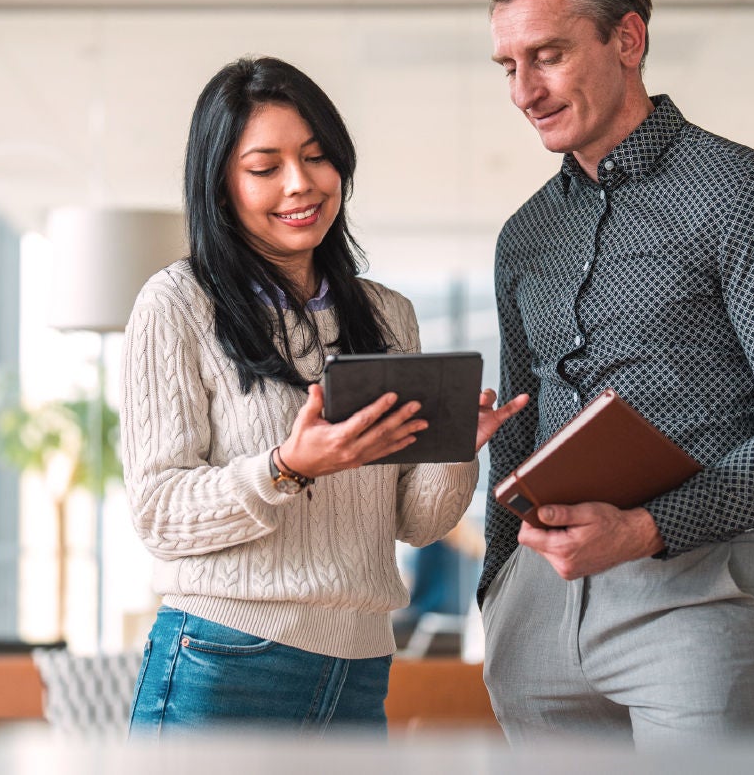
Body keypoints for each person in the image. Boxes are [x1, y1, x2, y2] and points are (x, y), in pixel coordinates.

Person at [478, 0, 754, 749]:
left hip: (695, 600)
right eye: (508, 66)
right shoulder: (525, 236)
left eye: (546, 55)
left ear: (628, 38)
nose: (525, 90)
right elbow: (517, 420)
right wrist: (498, 586)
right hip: (538, 618)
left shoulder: (744, 195)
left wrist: (647, 529)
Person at [120, 55, 526, 737]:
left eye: (316, 157)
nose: (300, 184)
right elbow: (159, 513)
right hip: (225, 658)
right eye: (265, 166)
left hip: (360, 664)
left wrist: (456, 445)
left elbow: (417, 523)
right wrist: (288, 467)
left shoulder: (389, 315)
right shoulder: (177, 304)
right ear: (221, 185)